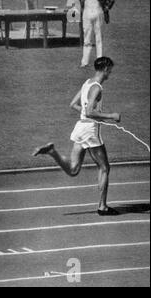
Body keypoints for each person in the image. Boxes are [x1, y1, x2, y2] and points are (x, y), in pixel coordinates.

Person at [33, 57, 120, 216]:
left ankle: (53, 152)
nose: (110, 73)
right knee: (104, 167)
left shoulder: (87, 83)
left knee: (73, 170)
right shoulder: (97, 88)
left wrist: (91, 116)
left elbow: (73, 104)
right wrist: (111, 116)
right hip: (90, 130)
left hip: (80, 127)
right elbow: (89, 112)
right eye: (110, 70)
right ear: (105, 68)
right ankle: (102, 206)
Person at [80, 0, 111, 67]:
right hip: (95, 9)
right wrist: (106, 8)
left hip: (89, 9)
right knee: (98, 38)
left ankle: (85, 62)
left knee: (88, 38)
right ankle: (98, 60)